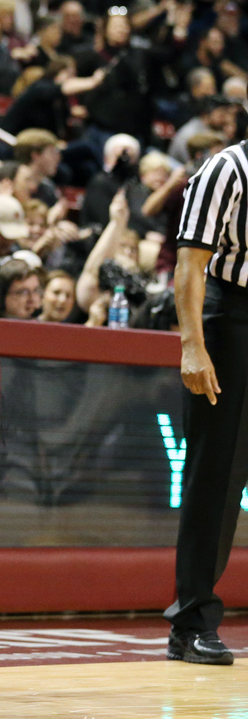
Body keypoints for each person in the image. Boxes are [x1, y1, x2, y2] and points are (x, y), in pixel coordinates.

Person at [166, 138, 248, 666]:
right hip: (233, 322)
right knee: (216, 479)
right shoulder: (227, 168)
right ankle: (192, 623)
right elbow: (190, 264)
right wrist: (192, 345)